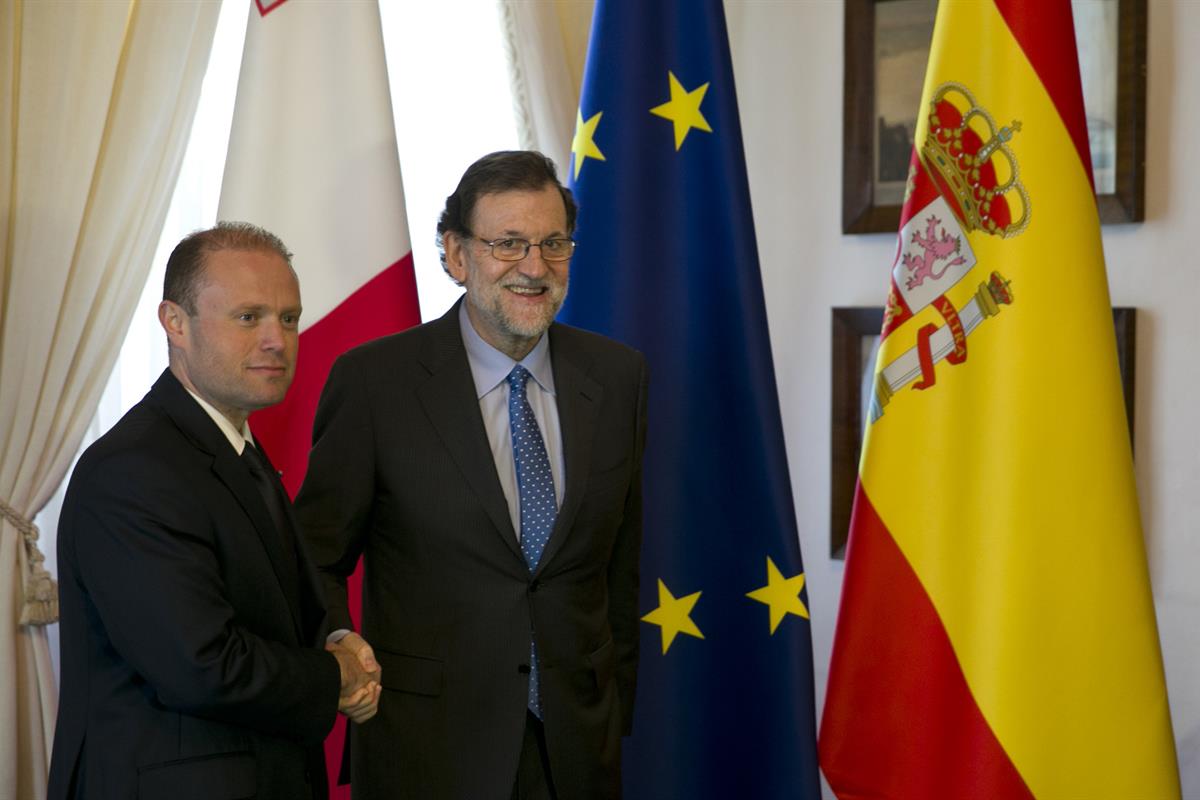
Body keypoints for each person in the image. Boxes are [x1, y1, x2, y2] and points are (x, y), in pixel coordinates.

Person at [295, 151, 648, 799]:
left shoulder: (618, 377)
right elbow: (311, 557)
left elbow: (619, 562)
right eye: (507, 244)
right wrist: (341, 649)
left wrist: (610, 707)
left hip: (577, 749)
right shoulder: (376, 384)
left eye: (552, 243)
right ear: (456, 255)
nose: (535, 267)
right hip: (427, 749)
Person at [48, 222, 381, 800]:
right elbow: (203, 665)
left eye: (289, 317)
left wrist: (338, 636)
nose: (277, 339)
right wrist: (337, 675)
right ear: (175, 323)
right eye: (248, 317)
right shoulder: (134, 469)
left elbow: (273, 605)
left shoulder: (234, 447)